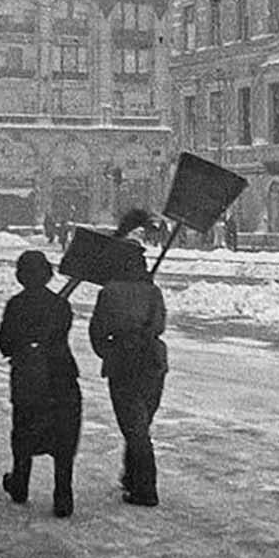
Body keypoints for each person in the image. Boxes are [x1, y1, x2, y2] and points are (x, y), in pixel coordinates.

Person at [89, 207, 169, 507]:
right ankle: (131, 478)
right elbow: (159, 325)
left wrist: (110, 352)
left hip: (123, 364)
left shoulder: (109, 292)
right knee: (140, 425)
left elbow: (97, 333)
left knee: (134, 428)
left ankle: (145, 489)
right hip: (153, 363)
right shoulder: (153, 291)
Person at [0, 248, 82, 519]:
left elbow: (5, 342)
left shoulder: (15, 305)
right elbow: (62, 331)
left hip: (28, 380)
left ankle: (20, 484)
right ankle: (63, 496)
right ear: (47, 274)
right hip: (61, 377)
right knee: (64, 437)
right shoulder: (61, 306)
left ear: (21, 276)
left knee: (24, 431)